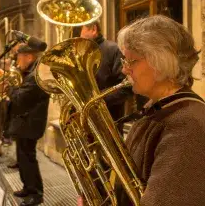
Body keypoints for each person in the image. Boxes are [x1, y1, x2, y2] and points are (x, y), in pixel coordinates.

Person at [111, 15, 205, 205]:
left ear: (161, 61)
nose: (124, 70)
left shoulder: (187, 125)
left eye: (131, 61)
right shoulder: (157, 109)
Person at [0, 44, 49, 206]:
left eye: (19, 57)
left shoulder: (34, 76)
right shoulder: (28, 73)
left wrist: (8, 85)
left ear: (29, 57)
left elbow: (20, 98)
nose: (17, 61)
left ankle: (36, 194)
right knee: (23, 157)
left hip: (30, 124)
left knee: (28, 158)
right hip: (24, 123)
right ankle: (27, 186)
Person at [80, 21, 132, 130]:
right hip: (88, 115)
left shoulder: (113, 49)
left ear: (93, 29)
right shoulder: (84, 53)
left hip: (110, 117)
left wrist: (98, 101)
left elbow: (126, 87)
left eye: (82, 30)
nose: (80, 36)